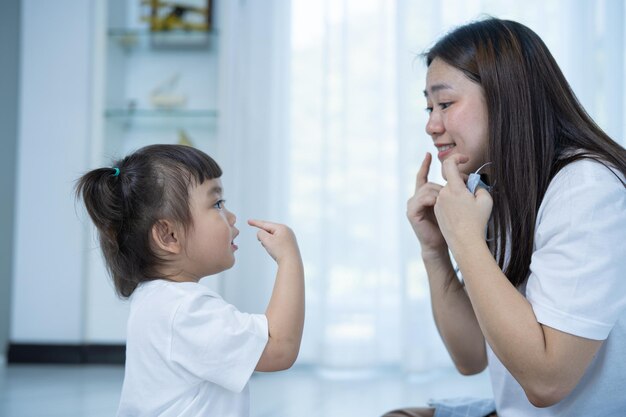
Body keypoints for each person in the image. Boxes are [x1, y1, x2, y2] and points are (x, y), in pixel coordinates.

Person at [383, 17, 626, 417]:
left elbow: (548, 382)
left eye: (445, 103)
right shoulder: (495, 186)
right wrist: (436, 250)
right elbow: (470, 357)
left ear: (507, 96)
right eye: (428, 107)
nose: (431, 125)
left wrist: (465, 239)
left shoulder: (587, 189)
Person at [76, 144, 305, 417]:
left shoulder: (155, 299)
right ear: (168, 236)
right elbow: (279, 348)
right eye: (217, 204)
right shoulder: (185, 310)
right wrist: (289, 259)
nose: (231, 216)